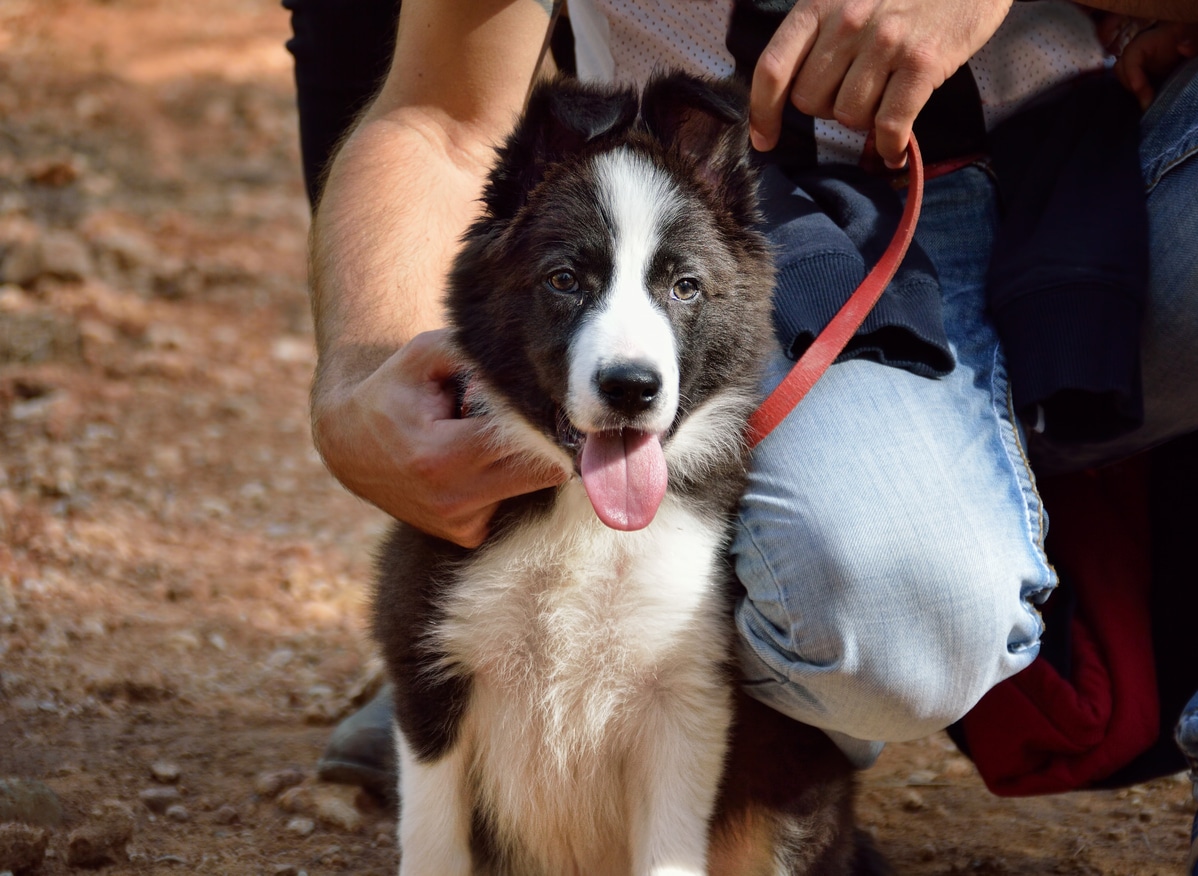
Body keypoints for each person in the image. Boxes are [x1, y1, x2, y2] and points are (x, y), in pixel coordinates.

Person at [284, 0, 1198, 837]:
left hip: (1122, 155)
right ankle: (547, 674)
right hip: (764, 205)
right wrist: (355, 383)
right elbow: (445, 114)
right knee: (885, 629)